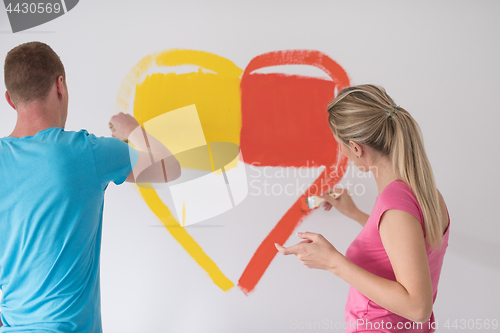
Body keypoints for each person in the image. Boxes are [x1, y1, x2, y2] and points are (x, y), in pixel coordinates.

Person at [0, 42, 180, 332]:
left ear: (10, 99)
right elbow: (169, 167)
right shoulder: (84, 152)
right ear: (60, 86)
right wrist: (131, 129)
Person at [275, 85, 450, 333]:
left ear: (356, 148)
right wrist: (355, 214)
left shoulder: (394, 207)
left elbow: (418, 308)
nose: (342, 152)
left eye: (340, 145)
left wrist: (333, 262)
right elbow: (400, 244)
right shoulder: (426, 194)